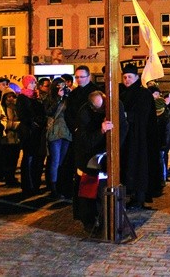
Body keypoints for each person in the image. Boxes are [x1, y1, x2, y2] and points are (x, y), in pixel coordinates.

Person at [73, 91, 126, 233]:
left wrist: (114, 149)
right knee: (89, 193)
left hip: (107, 157)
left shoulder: (115, 106)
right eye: (99, 109)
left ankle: (107, 220)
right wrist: (101, 131)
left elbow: (123, 128)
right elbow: (85, 141)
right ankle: (89, 221)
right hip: (89, 159)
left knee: (104, 191)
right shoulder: (84, 114)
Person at [119, 63, 153, 209]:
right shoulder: (123, 93)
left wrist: (125, 115)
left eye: (130, 77)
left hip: (139, 137)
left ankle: (139, 197)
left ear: (136, 77)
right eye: (125, 77)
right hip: (127, 136)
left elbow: (143, 115)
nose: (127, 80)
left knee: (138, 165)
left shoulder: (143, 94)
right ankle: (132, 194)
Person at [16, 75, 47, 195]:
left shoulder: (36, 97)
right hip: (29, 132)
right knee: (28, 157)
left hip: (38, 131)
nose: (34, 85)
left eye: (35, 82)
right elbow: (24, 115)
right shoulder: (22, 98)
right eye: (32, 82)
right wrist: (34, 122)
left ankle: (35, 184)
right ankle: (28, 185)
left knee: (37, 158)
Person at [44, 78, 72, 199]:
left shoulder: (68, 98)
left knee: (62, 161)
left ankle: (61, 186)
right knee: (55, 161)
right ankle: (53, 188)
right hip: (55, 132)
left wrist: (68, 95)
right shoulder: (50, 98)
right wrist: (58, 99)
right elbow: (48, 112)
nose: (62, 88)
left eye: (63, 85)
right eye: (59, 86)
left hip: (66, 131)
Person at [0, 88, 21, 187]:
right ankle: (9, 179)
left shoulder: (16, 107)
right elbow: (4, 123)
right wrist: (16, 125)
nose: (11, 98)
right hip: (6, 138)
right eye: (9, 96)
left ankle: (11, 177)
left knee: (14, 159)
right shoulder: (3, 107)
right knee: (7, 160)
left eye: (13, 96)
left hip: (16, 137)